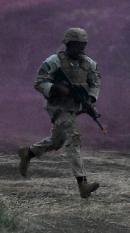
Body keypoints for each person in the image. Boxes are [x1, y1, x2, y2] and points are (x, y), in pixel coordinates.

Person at [18, 27, 102, 198]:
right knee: (74, 137)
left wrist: (90, 101)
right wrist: (55, 88)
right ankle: (82, 182)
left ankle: (29, 152)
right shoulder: (54, 61)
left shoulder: (89, 64)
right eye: (78, 45)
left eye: (83, 45)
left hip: (73, 108)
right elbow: (39, 82)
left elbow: (95, 84)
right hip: (56, 107)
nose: (81, 49)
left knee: (57, 142)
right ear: (68, 44)